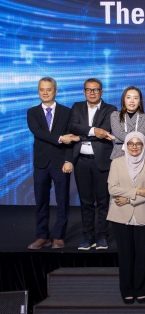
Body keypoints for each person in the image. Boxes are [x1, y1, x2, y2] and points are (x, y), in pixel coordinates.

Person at [106, 131, 145, 304]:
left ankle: (141, 289)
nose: (134, 147)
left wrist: (129, 198)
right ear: (125, 145)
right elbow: (112, 189)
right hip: (120, 214)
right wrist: (138, 191)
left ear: (143, 146)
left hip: (143, 213)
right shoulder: (116, 163)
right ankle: (127, 290)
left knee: (143, 255)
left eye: (138, 144)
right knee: (126, 255)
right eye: (131, 143)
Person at [27, 77, 78, 250]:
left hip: (61, 162)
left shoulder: (66, 111)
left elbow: (71, 138)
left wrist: (69, 160)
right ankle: (42, 236)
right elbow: (38, 132)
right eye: (42, 89)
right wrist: (59, 138)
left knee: (62, 200)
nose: (45, 92)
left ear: (55, 91)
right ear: (38, 91)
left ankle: (58, 237)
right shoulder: (32, 112)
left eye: (49, 89)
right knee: (41, 201)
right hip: (41, 163)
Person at [69, 78, 117, 250]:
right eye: (88, 90)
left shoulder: (110, 109)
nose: (92, 92)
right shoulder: (76, 107)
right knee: (86, 201)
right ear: (84, 92)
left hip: (102, 161)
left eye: (96, 89)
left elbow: (105, 131)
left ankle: (102, 235)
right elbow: (72, 126)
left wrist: (84, 132)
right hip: (81, 161)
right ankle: (88, 235)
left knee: (103, 201)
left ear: (101, 92)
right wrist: (92, 131)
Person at [110, 86, 145, 159]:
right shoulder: (115, 115)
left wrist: (116, 139)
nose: (132, 101)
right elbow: (119, 134)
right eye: (128, 97)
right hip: (119, 154)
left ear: (139, 101)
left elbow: (140, 135)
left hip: (140, 154)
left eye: (135, 98)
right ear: (124, 100)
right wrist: (117, 137)